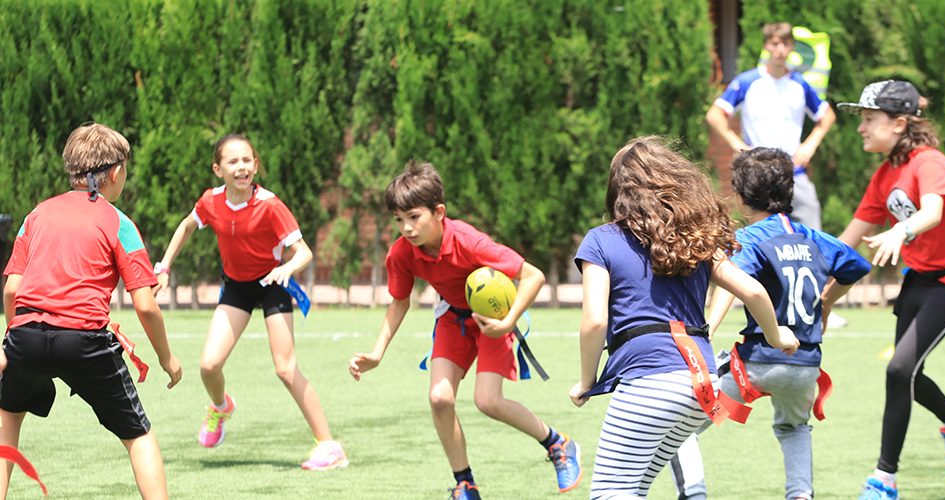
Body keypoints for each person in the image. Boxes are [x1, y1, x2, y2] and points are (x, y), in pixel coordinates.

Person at [569, 137, 800, 499]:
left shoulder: (600, 240)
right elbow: (753, 292)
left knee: (610, 492)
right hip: (701, 386)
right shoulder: (697, 239)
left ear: (618, 189)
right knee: (635, 489)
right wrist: (776, 336)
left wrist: (587, 381)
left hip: (648, 382)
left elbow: (594, 322)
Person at [348, 161, 582, 499]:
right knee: (439, 398)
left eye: (414, 217)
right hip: (451, 318)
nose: (407, 228)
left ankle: (558, 443)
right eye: (398, 220)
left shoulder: (468, 241)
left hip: (491, 320)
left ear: (439, 212)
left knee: (488, 401)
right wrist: (376, 353)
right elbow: (399, 302)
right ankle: (465, 484)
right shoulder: (400, 253)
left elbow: (533, 276)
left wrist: (508, 321)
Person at [668, 147, 871, 500]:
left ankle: (694, 494)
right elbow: (855, 267)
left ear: (741, 196)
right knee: (794, 428)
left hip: (754, 368)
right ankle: (800, 494)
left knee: (680, 426)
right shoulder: (815, 238)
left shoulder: (751, 239)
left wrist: (708, 328)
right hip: (805, 367)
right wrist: (827, 301)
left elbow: (732, 283)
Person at [1, 123, 183, 499]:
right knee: (138, 435)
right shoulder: (119, 222)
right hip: (84, 339)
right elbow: (146, 305)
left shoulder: (35, 216)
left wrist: (11, 340)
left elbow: (13, 290)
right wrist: (168, 359)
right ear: (116, 172)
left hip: (26, 334)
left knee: (6, 420)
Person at [152, 134, 346, 470]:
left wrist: (285, 269)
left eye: (247, 160)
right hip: (237, 289)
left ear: (256, 165)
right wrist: (164, 267)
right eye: (233, 161)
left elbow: (304, 253)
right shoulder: (211, 201)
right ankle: (220, 407)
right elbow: (186, 226)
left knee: (286, 369)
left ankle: (329, 447)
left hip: (272, 286)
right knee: (209, 366)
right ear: (218, 169)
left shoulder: (270, 205)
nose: (241, 167)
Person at [837, 80, 945, 499]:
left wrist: (900, 231)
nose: (861, 127)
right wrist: (808, 267)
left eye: (869, 119)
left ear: (899, 123)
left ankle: (883, 479)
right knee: (909, 373)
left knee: (898, 370)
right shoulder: (885, 174)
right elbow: (849, 237)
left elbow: (933, 211)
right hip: (920, 278)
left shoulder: (930, 162)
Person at [707, 22, 836, 231]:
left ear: (792, 47)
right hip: (759, 172)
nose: (780, 50)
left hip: (794, 171)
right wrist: (737, 145)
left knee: (811, 229)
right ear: (766, 45)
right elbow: (714, 114)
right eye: (775, 43)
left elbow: (827, 116)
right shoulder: (747, 81)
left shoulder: (800, 84)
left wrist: (809, 146)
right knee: (761, 234)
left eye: (785, 44)